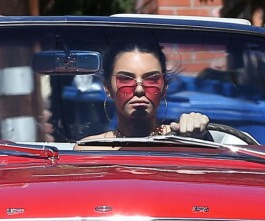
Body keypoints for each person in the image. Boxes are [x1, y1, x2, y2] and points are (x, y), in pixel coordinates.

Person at [77, 41, 210, 145]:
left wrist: (200, 134)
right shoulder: (90, 149)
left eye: (152, 79)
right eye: (125, 79)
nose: (139, 90)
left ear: (165, 87)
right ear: (107, 88)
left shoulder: (184, 140)